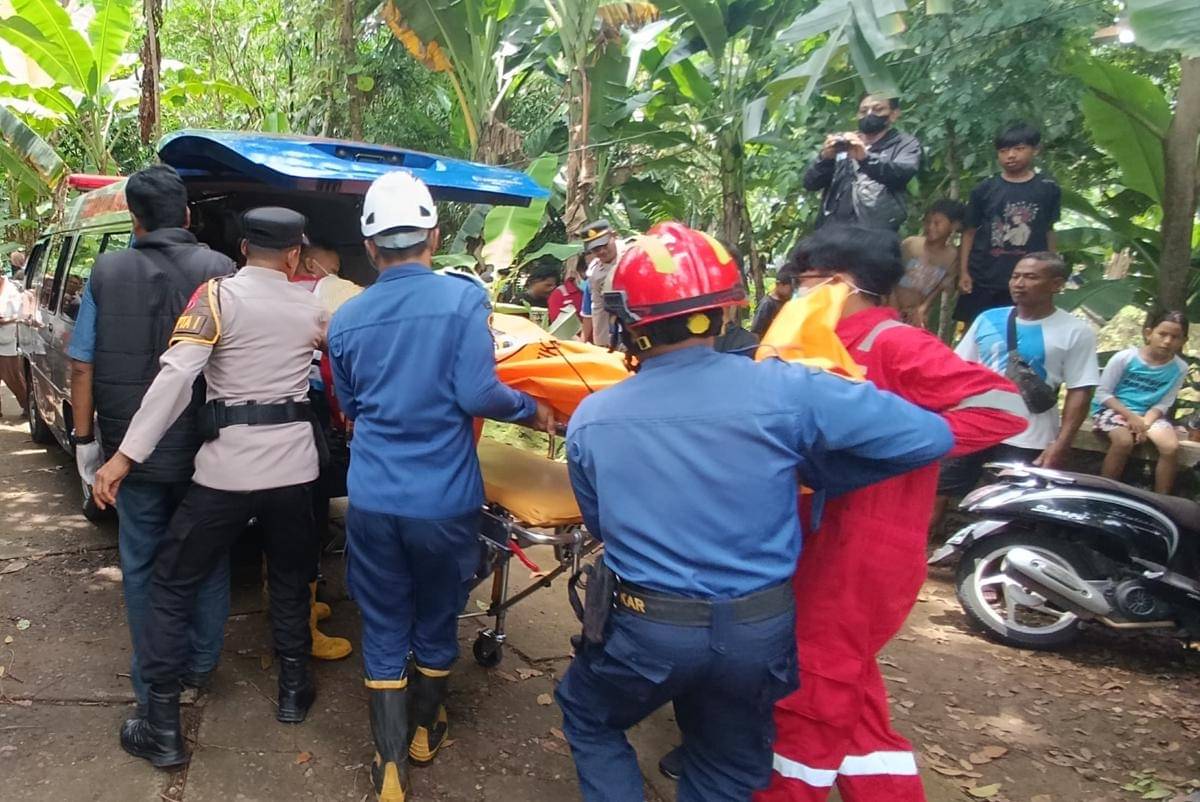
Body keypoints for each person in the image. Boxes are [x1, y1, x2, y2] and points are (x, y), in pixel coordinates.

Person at [555, 221, 955, 802]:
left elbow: (601, 523)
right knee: (726, 766)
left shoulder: (595, 417)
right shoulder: (789, 391)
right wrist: (817, 474)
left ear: (628, 320)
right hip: (759, 631)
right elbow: (929, 438)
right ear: (724, 314)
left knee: (589, 714)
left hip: (650, 628)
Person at [751, 225, 1027, 802]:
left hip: (863, 550)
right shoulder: (816, 346)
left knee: (814, 689)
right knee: (854, 694)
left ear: (839, 285)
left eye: (802, 285)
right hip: (820, 541)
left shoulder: (892, 343)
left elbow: (1003, 406)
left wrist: (910, 441)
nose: (792, 298)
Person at [327, 170, 553, 802]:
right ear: (433, 233)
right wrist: (529, 409)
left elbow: (348, 405)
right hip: (444, 502)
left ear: (370, 248)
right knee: (435, 615)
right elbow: (478, 393)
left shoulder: (347, 319)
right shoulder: (462, 300)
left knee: (383, 621)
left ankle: (391, 766)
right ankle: (426, 728)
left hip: (372, 499)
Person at [93, 206, 329, 768]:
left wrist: (125, 456)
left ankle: (163, 728)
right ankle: (294, 691)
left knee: (173, 585)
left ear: (245, 248)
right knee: (294, 578)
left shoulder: (216, 297)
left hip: (227, 472)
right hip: (295, 470)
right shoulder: (315, 306)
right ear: (295, 253)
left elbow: (176, 376)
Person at [68, 165, 234, 717]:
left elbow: (83, 366)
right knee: (206, 563)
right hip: (205, 454)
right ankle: (199, 669)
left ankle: (153, 678)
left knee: (140, 566)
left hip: (128, 458)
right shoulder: (221, 270)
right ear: (186, 215)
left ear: (133, 219)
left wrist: (87, 444)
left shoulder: (105, 273)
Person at [934, 252, 1099, 526]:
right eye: (1016, 276)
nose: (1019, 283)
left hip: (1028, 434)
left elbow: (1080, 390)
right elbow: (959, 369)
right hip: (973, 424)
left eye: (1031, 277)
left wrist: (1061, 443)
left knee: (1008, 502)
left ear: (1057, 285)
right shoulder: (988, 319)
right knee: (938, 490)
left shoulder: (1075, 331)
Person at [291, 236, 356, 663]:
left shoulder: (272, 293)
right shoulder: (315, 303)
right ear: (312, 266)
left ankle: (303, 607)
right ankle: (302, 631)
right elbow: (334, 370)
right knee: (305, 521)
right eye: (329, 272)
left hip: (284, 422)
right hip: (306, 418)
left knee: (300, 519)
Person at [954, 122, 1061, 325]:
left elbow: (1049, 230)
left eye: (1019, 149)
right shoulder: (984, 189)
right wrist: (964, 273)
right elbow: (968, 232)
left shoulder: (1048, 189)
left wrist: (1051, 269)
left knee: (1023, 327)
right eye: (1004, 151)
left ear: (1035, 150)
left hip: (1029, 280)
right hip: (984, 276)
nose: (1010, 155)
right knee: (977, 330)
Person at [1092, 309, 1188, 494]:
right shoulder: (1125, 358)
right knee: (1123, 441)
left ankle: (1162, 499)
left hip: (1148, 415)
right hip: (1114, 410)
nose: (1167, 341)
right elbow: (1103, 393)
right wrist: (1130, 417)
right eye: (1162, 334)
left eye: (1175, 337)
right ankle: (1104, 492)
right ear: (1148, 333)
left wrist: (1145, 423)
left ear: (1183, 341)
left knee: (1170, 447)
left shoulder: (1179, 368)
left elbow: (1164, 403)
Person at [803, 94, 922, 231]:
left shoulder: (904, 143)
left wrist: (865, 158)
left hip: (875, 234)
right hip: (833, 232)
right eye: (863, 111)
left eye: (878, 109)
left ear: (894, 114)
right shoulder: (844, 142)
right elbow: (810, 183)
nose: (869, 114)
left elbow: (901, 174)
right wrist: (825, 158)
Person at [893, 199, 964, 328]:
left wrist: (923, 308)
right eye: (927, 222)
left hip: (915, 315)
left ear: (954, 226)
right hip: (891, 306)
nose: (931, 227)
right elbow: (891, 276)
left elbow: (939, 288)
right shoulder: (910, 244)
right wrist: (893, 306)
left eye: (937, 223)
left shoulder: (952, 257)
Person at [577, 219, 621, 346]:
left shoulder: (633, 253)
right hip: (621, 330)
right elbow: (598, 308)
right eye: (596, 249)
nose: (602, 251)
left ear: (614, 236)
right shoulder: (595, 273)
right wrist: (601, 344)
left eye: (604, 245)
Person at [0, 268, 28, 417]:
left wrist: (6, 320)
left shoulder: (12, 290)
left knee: (12, 376)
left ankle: (26, 405)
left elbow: (22, 314)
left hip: (8, 338)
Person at [751, 270, 795, 338]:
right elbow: (755, 332)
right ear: (779, 285)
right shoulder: (766, 304)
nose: (791, 292)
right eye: (790, 289)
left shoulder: (787, 302)